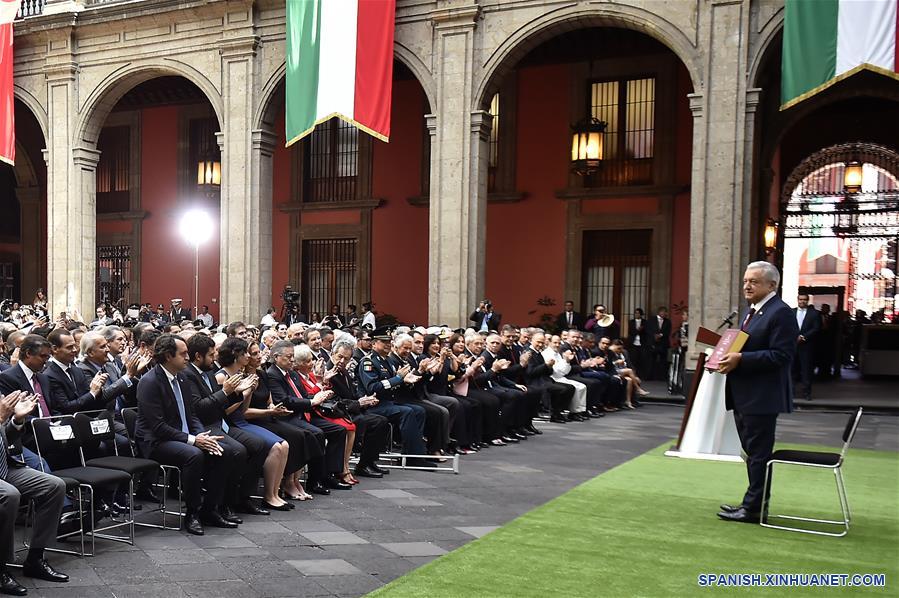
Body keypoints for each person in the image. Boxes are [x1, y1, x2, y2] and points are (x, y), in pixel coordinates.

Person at [716, 261, 798, 524]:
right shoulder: (752, 312)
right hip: (745, 393)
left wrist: (741, 359)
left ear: (772, 285)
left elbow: (782, 356)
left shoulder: (780, 312)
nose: (747, 286)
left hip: (762, 396)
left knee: (759, 454)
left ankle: (754, 509)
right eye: (745, 281)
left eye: (754, 281)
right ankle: (751, 503)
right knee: (752, 453)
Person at [135, 334, 241, 535]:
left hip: (182, 435)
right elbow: (157, 427)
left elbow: (191, 415)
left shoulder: (182, 377)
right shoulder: (149, 382)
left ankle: (210, 510)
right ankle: (192, 513)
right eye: (183, 354)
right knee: (194, 455)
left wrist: (203, 436)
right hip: (156, 441)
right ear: (168, 356)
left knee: (223, 451)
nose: (187, 357)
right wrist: (194, 440)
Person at [0, 391, 69, 594]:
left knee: (54, 486)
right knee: (9, 495)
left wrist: (17, 420)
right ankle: (1, 568)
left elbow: (7, 438)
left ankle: (35, 559)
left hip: (5, 467)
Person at [792, 293, 821, 400]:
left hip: (807, 346)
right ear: (797, 300)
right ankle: (791, 393)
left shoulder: (814, 313)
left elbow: (816, 328)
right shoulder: (791, 312)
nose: (802, 301)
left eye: (804, 300)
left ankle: (806, 393)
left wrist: (804, 336)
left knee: (806, 370)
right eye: (800, 299)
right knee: (792, 370)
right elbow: (786, 326)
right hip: (793, 345)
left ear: (808, 301)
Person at [646, 306, 672, 380]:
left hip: (663, 343)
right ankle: (649, 376)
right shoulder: (651, 320)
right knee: (651, 361)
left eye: (665, 312)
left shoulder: (668, 321)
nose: (664, 314)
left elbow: (668, 332)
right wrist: (654, 336)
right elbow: (648, 330)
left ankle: (662, 377)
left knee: (663, 361)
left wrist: (661, 335)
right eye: (663, 312)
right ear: (659, 312)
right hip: (652, 343)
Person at [627, 308, 650, 378]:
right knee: (634, 359)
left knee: (642, 359)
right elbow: (631, 332)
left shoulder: (645, 322)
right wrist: (638, 330)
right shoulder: (631, 322)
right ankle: (634, 374)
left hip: (642, 343)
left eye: (638, 313)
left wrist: (642, 330)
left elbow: (647, 332)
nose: (636, 314)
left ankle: (642, 375)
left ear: (641, 314)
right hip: (633, 343)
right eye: (635, 313)